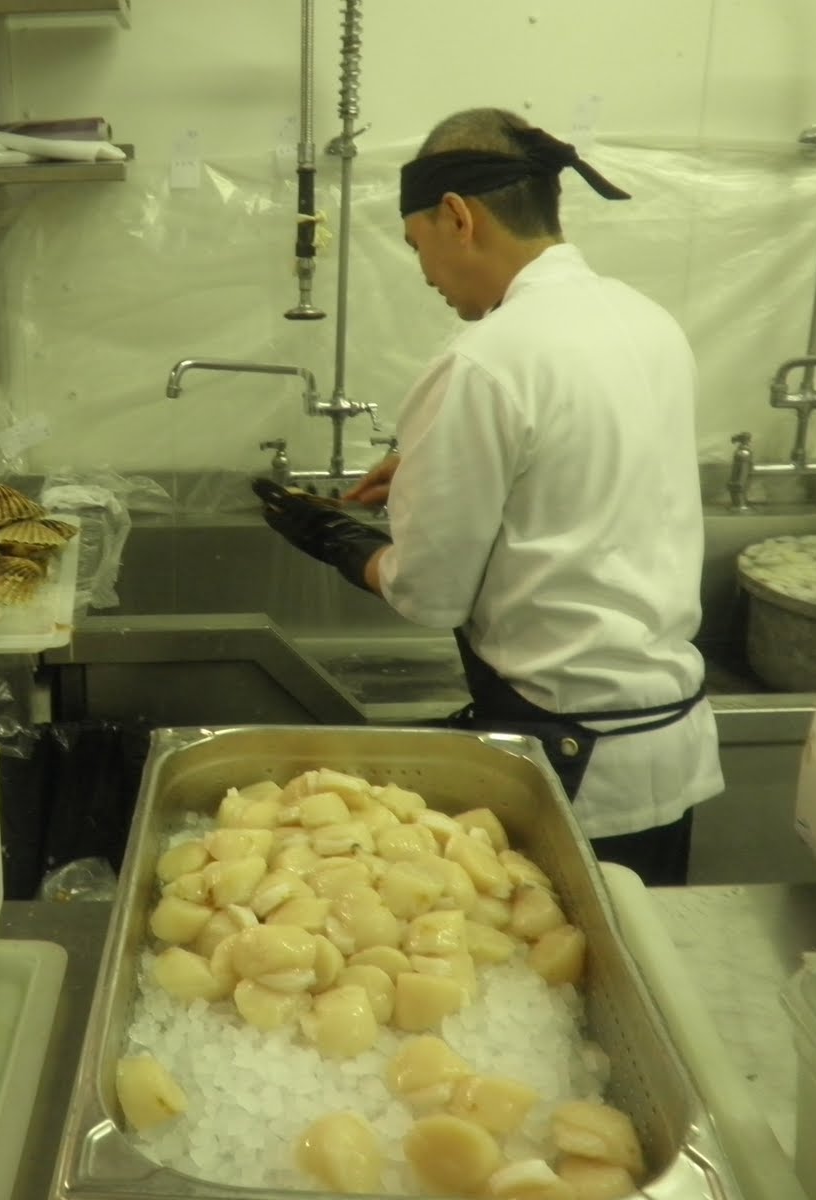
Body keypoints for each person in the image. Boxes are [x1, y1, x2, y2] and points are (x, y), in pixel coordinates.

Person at [252, 107, 723, 887]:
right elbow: (584, 467)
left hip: (568, 761)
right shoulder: (646, 321)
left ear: (458, 218)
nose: (426, 274)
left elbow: (431, 594)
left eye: (416, 247)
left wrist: (335, 540)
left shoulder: (486, 359)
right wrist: (433, 464)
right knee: (639, 974)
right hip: (665, 744)